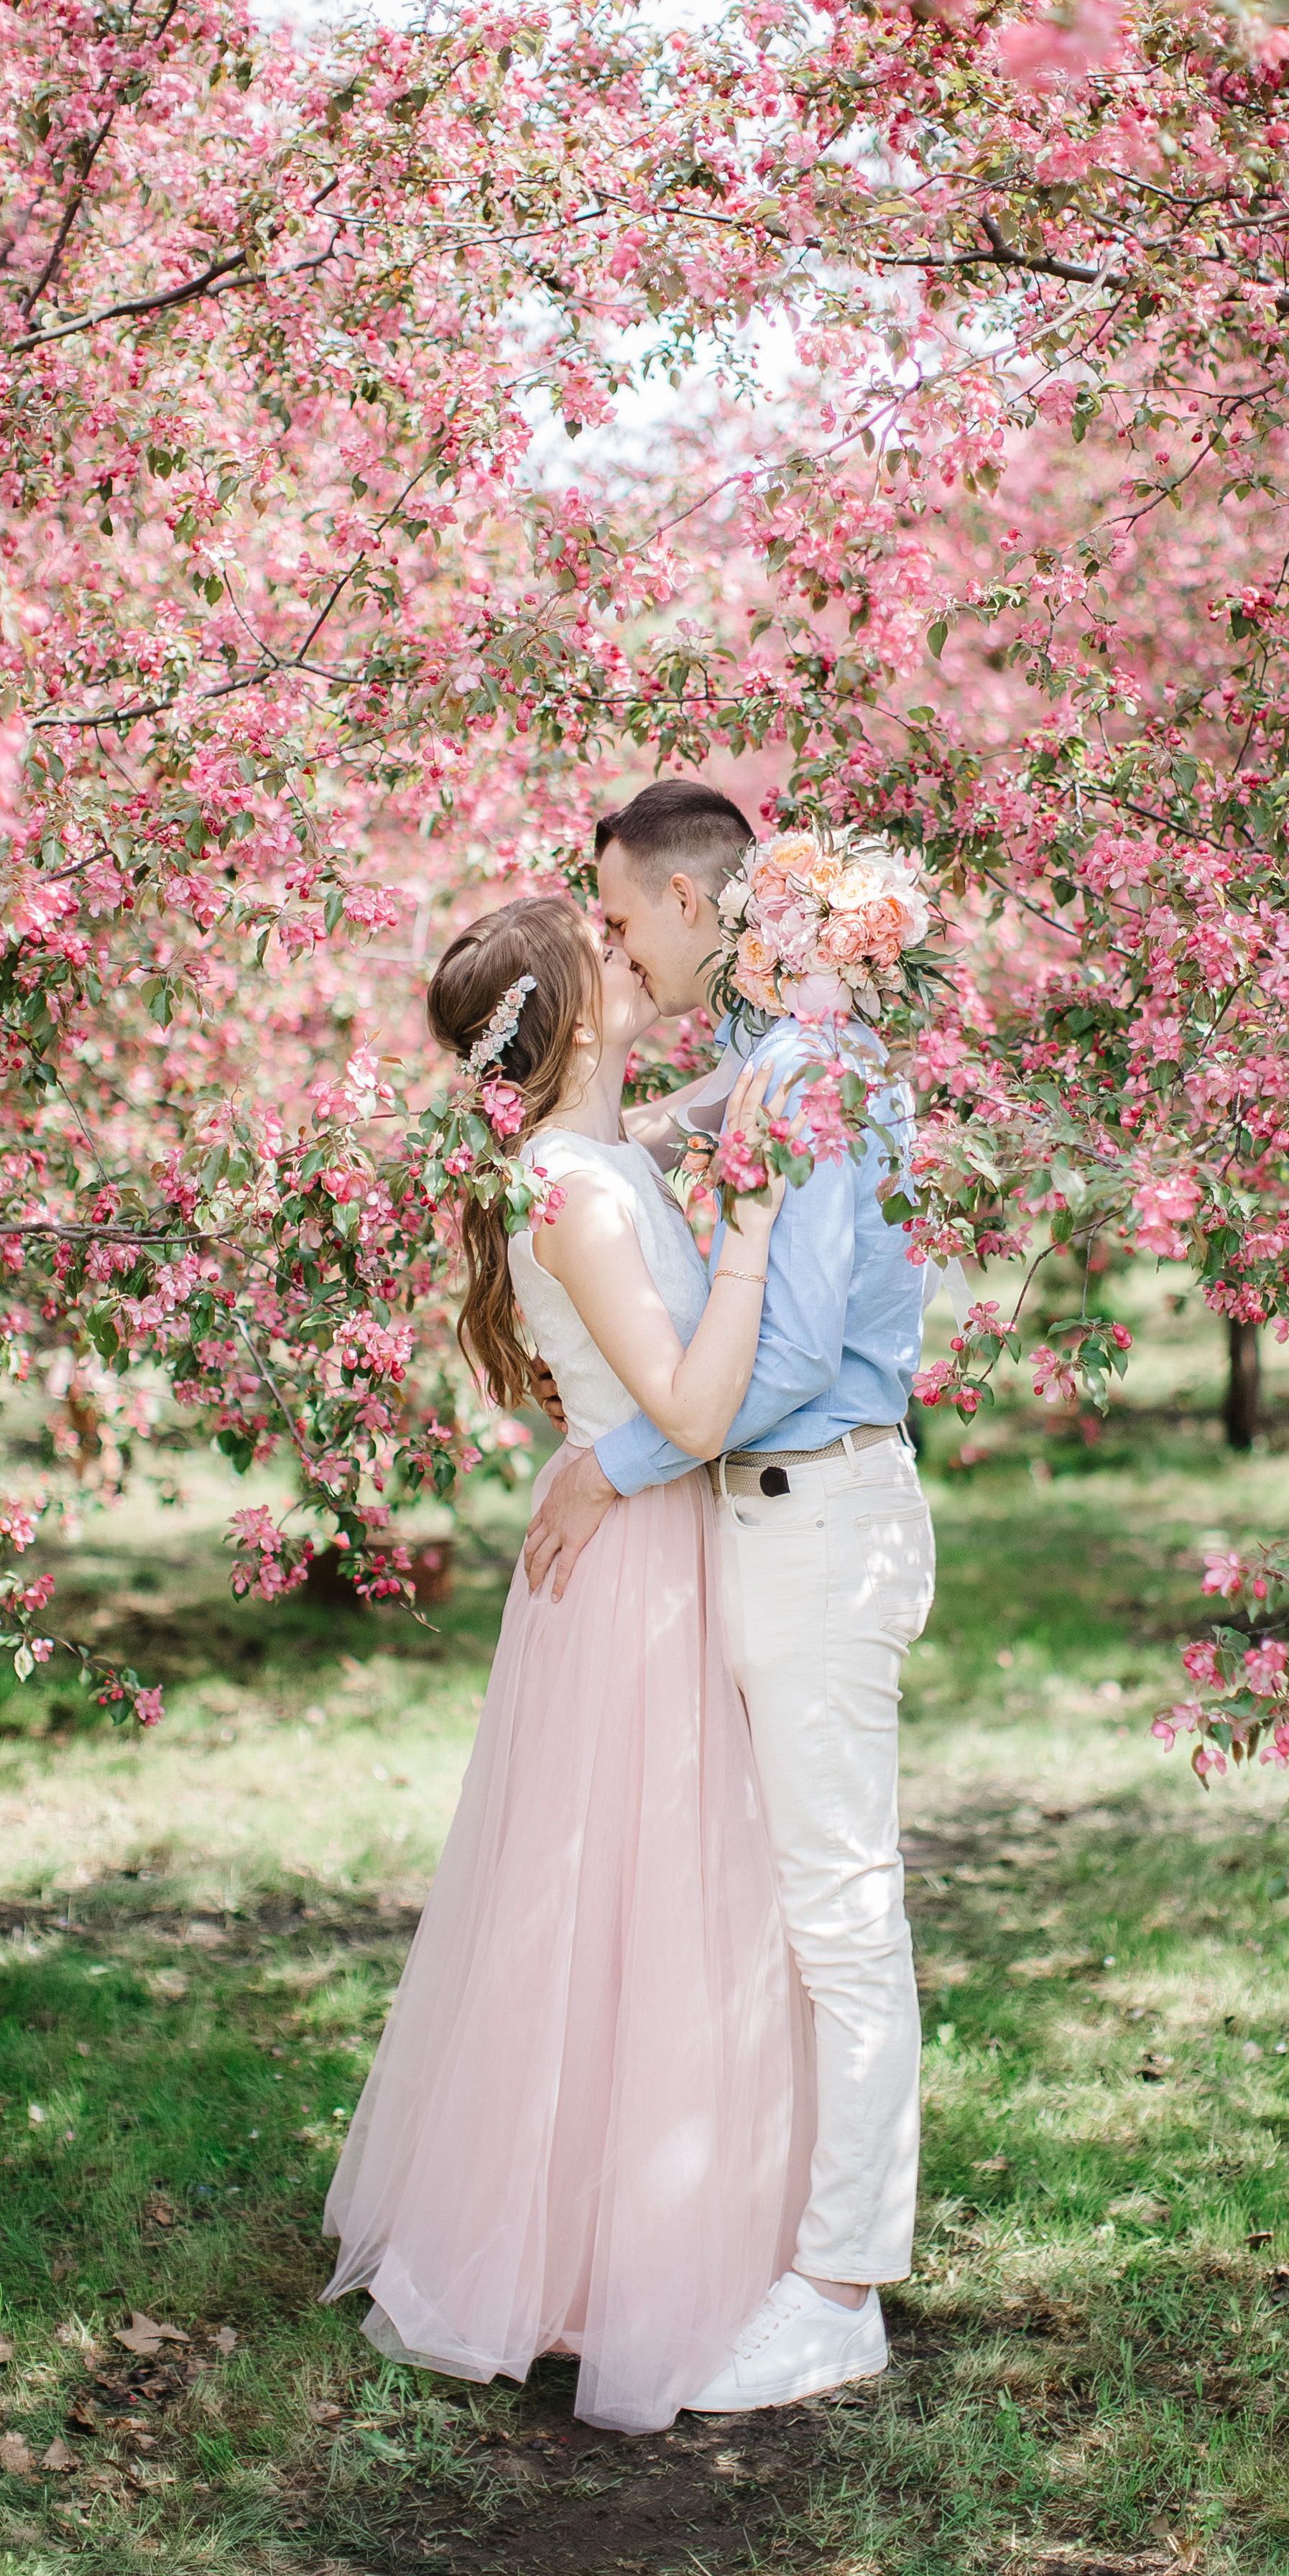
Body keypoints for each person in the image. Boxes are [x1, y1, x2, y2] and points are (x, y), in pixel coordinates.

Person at [322, 893, 811, 2437]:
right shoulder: (573, 1189)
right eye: (599, 937)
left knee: (647, 1893)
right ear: (570, 1011)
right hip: (635, 1572)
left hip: (642, 1541)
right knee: (634, 1893)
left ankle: (637, 2227)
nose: (629, 943)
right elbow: (685, 1407)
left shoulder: (592, 1158)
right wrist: (746, 1235)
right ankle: (605, 2263)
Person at [523, 779, 936, 2417]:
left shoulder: (812, 1076)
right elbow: (682, 1119)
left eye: (618, 914)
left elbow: (779, 1351)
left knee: (841, 1915)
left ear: (697, 908)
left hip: (819, 1511)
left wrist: (610, 1461)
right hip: (770, 1524)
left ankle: (838, 2288)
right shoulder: (778, 1066)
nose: (611, 941)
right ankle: (789, 2238)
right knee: (797, 1912)